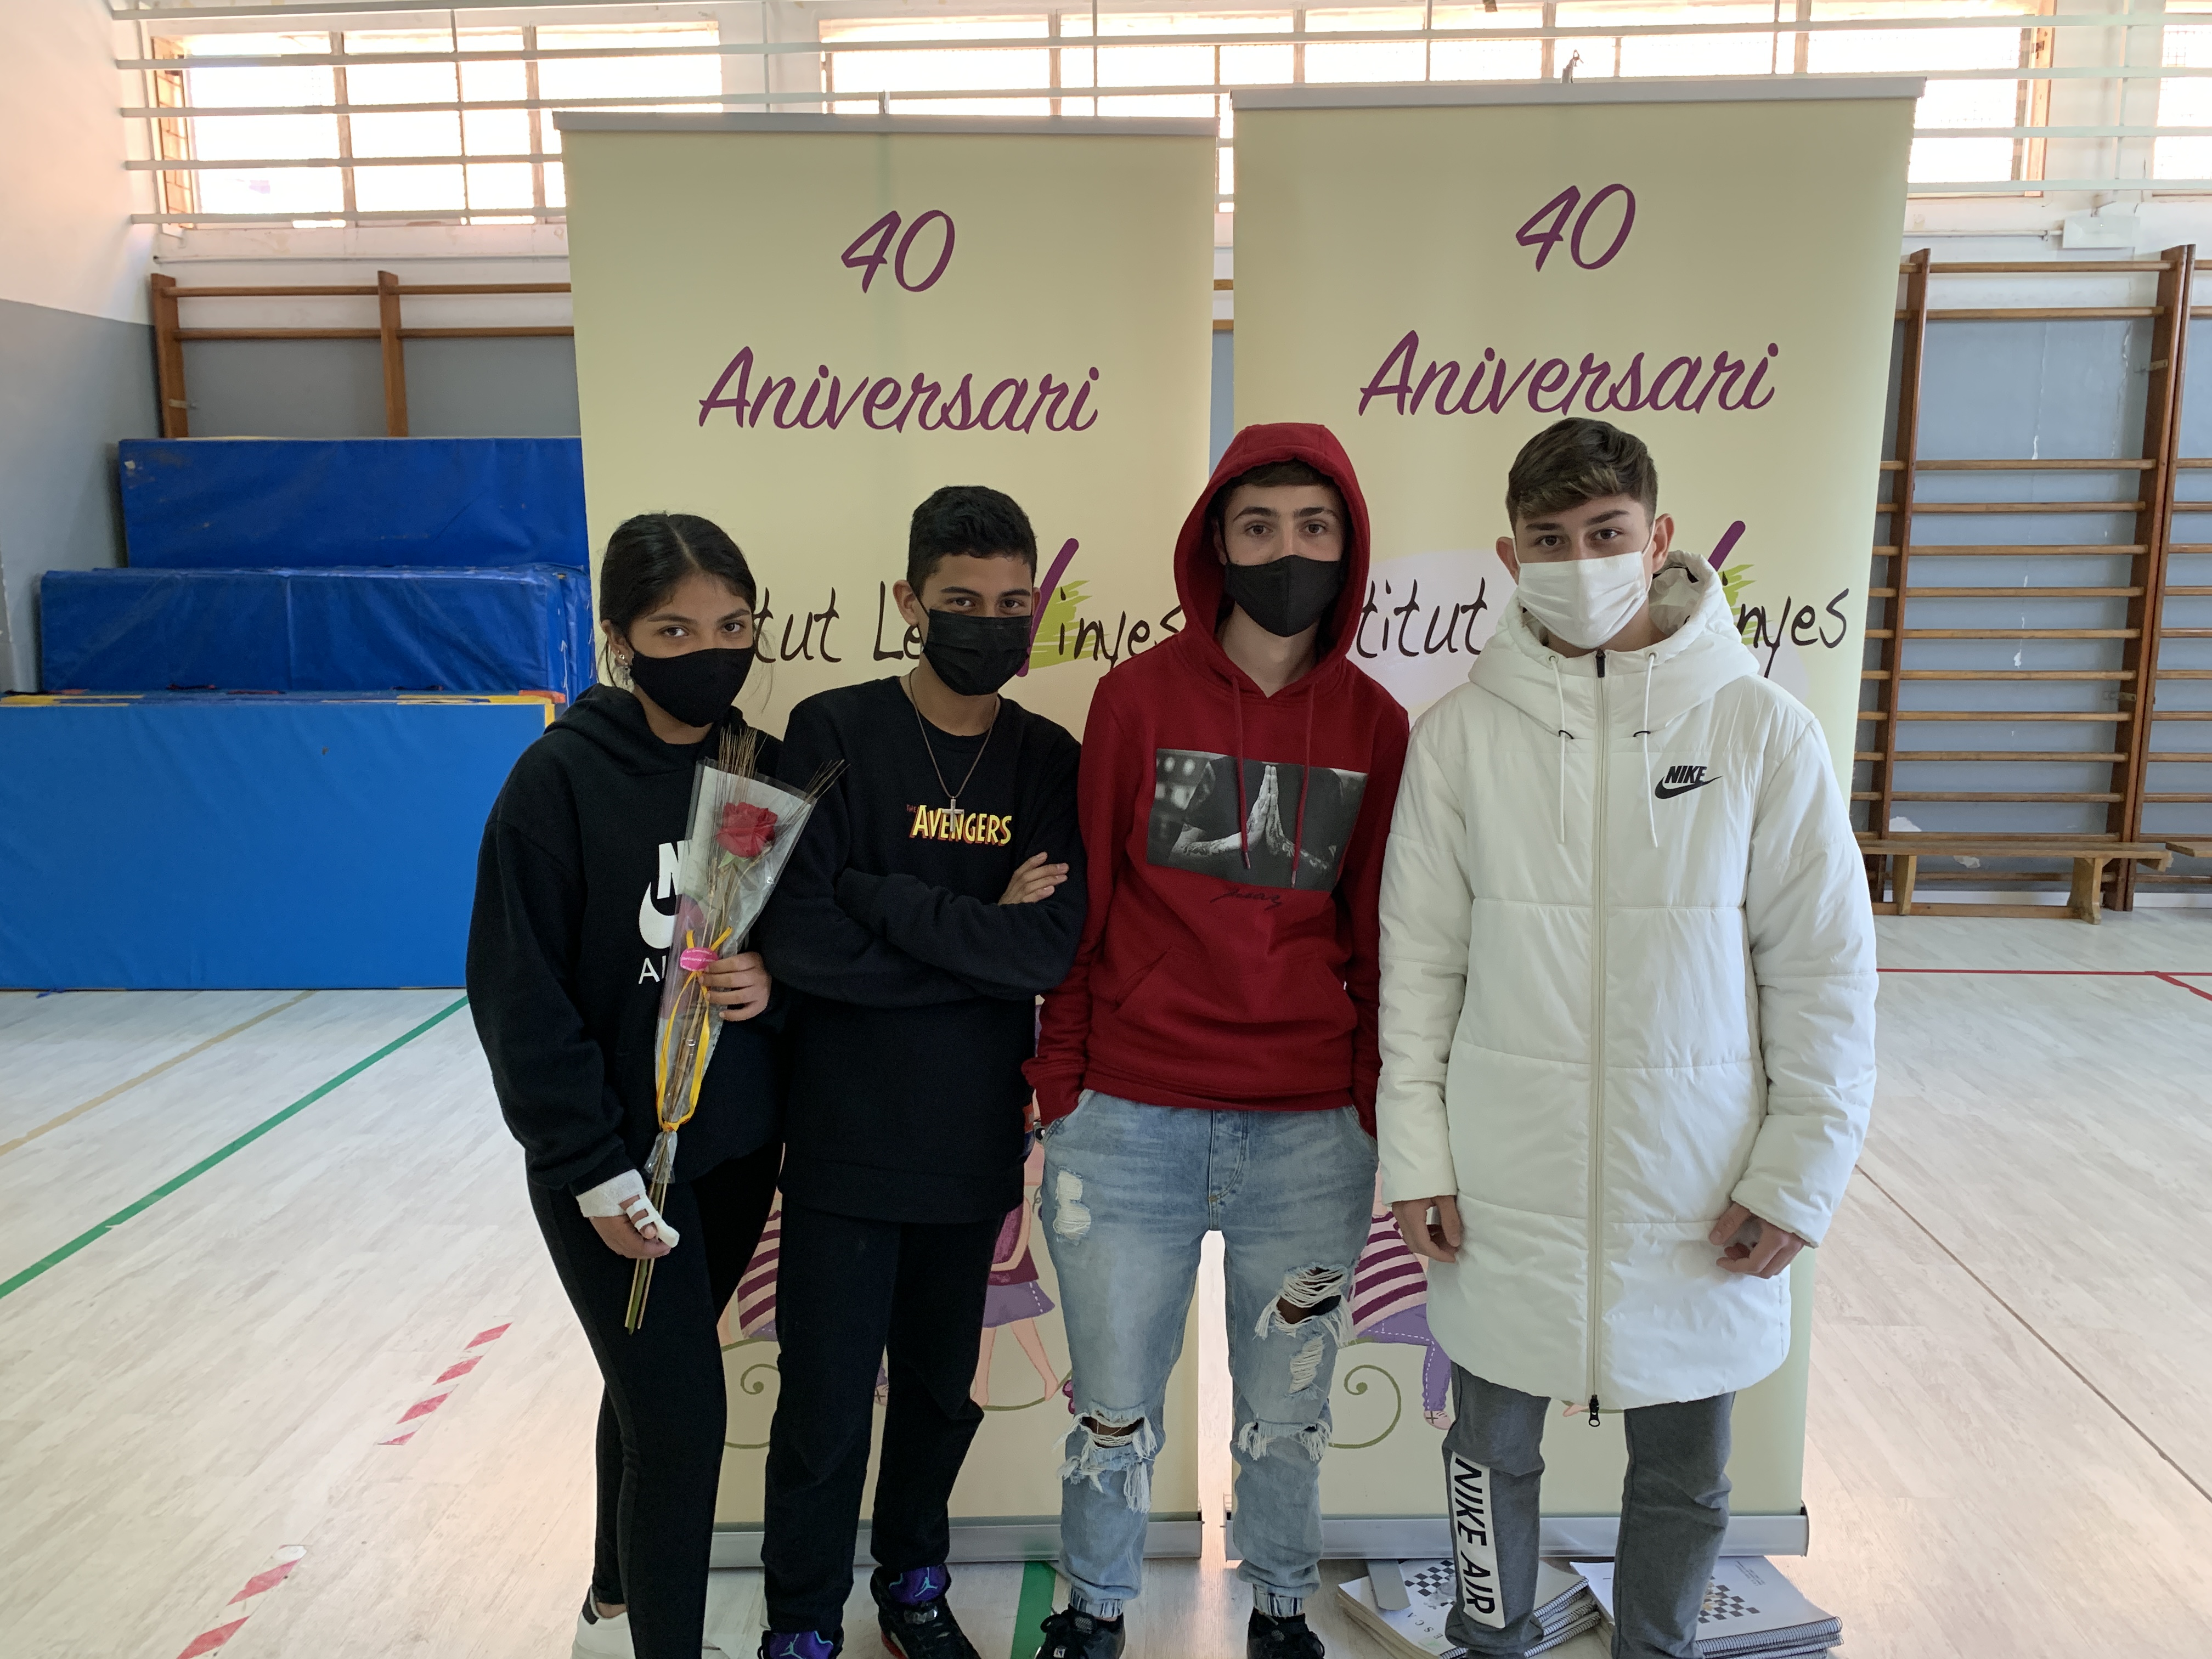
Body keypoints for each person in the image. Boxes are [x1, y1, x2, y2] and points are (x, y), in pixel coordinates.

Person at [1376, 417, 1876, 1659]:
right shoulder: (1459, 738)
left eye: (1606, 533)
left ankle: (1659, 1648)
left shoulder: (1761, 731)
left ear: (1659, 540)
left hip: (1698, 1187)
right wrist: (1418, 1155)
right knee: (1486, 1453)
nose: (1581, 561)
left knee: (1688, 1476)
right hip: (1505, 1185)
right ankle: (1491, 1639)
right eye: (1550, 540)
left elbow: (1824, 976)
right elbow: (1419, 969)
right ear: (1511, 556)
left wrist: (1798, 1175)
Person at [1024, 424, 1410, 1659]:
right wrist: (1062, 1084)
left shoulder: (1377, 723)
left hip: (1309, 1136)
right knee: (1111, 1407)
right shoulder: (1135, 699)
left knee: (1289, 1412)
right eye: (1259, 528)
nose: (1286, 551)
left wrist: (1367, 1099)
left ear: (1347, 547)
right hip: (1127, 1122)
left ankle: (1283, 1611)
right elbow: (1087, 902)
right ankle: (1094, 1612)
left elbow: (1378, 931)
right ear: (1216, 546)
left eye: (1314, 528)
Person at [752, 485, 1085, 1659]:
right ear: (909, 600)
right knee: (825, 1407)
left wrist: (880, 900)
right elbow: (799, 940)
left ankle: (913, 1585)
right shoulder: (830, 731)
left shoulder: (1047, 758)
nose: (990, 623)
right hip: (841, 1139)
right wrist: (976, 931)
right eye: (961, 601)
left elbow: (1046, 950)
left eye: (1011, 603)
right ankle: (801, 1621)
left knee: (941, 1396)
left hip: (970, 1142)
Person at [468, 512, 786, 1659]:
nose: (710, 650)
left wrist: (769, 978)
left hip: (733, 1152)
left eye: (733, 626)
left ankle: (610, 1605)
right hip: (612, 1170)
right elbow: (518, 992)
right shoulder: (558, 779)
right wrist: (591, 1167)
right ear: (619, 638)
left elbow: (785, 935)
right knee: (685, 1419)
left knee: (653, 1392)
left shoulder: (758, 767)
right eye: (675, 630)